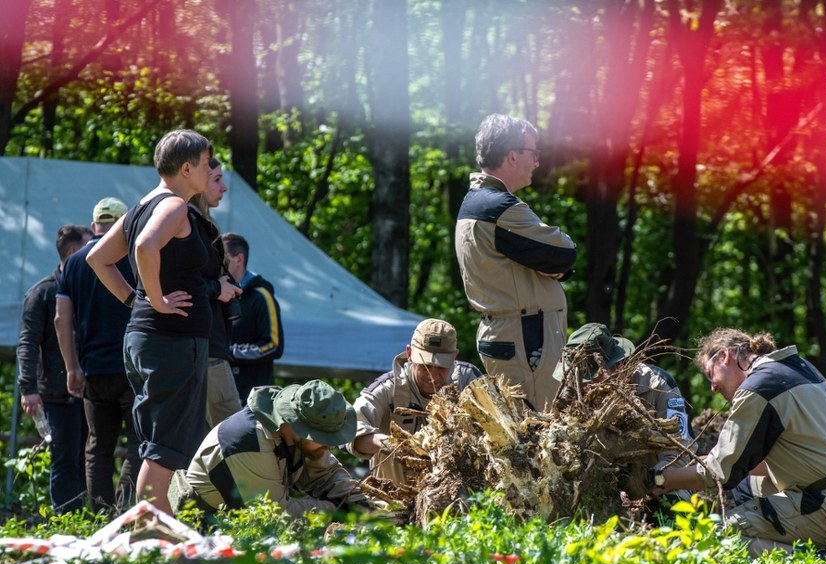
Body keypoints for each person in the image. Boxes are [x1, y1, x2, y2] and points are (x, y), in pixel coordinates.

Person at [654, 329, 826, 556]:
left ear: (725, 356)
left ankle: (818, 561)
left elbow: (719, 473)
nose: (713, 387)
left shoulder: (758, 388)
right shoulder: (795, 369)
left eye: (709, 374)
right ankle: (799, 546)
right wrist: (705, 463)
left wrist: (661, 479)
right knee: (746, 488)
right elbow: (761, 463)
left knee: (721, 540)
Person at [88, 129, 213, 514]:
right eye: (207, 165)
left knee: (158, 444)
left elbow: (98, 258)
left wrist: (134, 298)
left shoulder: (141, 205)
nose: (211, 172)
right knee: (163, 449)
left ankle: (156, 532)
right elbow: (144, 247)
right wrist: (155, 300)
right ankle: (152, 540)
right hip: (171, 341)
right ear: (187, 168)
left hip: (146, 338)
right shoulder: (173, 207)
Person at [455, 114, 577, 412]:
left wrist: (550, 262)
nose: (537, 162)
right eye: (533, 153)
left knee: (527, 433)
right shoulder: (499, 208)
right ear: (512, 156)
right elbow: (565, 250)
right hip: (525, 341)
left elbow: (553, 258)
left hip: (515, 337)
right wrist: (553, 262)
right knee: (537, 430)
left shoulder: (478, 202)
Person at [169, 380, 369, 517]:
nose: (331, 445)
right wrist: (339, 511)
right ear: (297, 424)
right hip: (206, 531)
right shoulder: (246, 442)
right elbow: (277, 515)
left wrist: (360, 501)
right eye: (324, 438)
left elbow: (326, 474)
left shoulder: (297, 436)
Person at [56, 198, 142, 511]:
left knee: (97, 448)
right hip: (132, 368)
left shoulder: (73, 263)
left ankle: (101, 517)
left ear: (94, 226)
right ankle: (124, 514)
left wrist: (71, 368)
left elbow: (60, 318)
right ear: (124, 225)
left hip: (92, 370)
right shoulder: (134, 256)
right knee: (137, 443)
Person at [552, 323, 694, 506]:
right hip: (598, 486)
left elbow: (678, 455)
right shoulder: (572, 392)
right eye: (577, 379)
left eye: (592, 379)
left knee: (673, 508)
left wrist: (643, 484)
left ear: (618, 366)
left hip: (657, 481)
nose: (584, 386)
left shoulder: (658, 385)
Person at [347, 318, 482, 484]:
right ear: (409, 354)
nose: (432, 376)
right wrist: (398, 445)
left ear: (454, 357)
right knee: (391, 449)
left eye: (441, 367)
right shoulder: (388, 388)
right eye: (424, 366)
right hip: (394, 499)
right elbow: (349, 429)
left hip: (457, 494)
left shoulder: (468, 381)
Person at [17, 224, 92, 513]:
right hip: (56, 394)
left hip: (89, 392)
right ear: (73, 252)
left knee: (88, 458)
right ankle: (65, 520)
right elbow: (28, 342)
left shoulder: (88, 289)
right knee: (64, 460)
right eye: (88, 246)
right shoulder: (43, 293)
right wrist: (29, 388)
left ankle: (88, 516)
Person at [187, 158, 244, 428]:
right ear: (197, 181)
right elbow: (181, 280)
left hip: (206, 348)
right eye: (217, 179)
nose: (224, 188)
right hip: (204, 350)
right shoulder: (187, 223)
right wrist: (216, 288)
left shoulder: (200, 224)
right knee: (234, 435)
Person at [221, 232, 284, 404]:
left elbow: (273, 344)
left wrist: (230, 352)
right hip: (223, 393)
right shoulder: (218, 294)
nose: (218, 265)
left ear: (239, 259)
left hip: (254, 400)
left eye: (223, 259)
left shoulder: (261, 296)